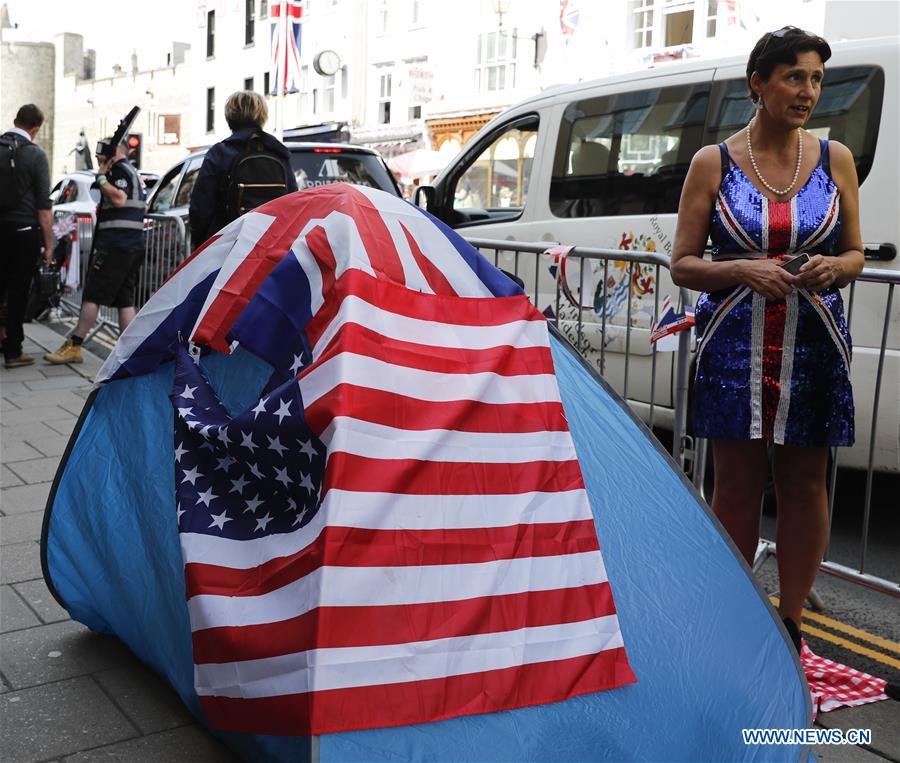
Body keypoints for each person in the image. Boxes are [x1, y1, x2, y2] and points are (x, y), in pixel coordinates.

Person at [671, 27, 864, 652]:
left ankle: (789, 621)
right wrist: (741, 269)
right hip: (734, 345)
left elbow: (857, 251)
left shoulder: (836, 159)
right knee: (735, 485)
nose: (807, 92)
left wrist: (838, 267)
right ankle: (734, 617)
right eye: (794, 77)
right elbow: (682, 263)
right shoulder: (713, 163)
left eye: (815, 80)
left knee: (808, 482)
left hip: (814, 342)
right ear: (759, 83)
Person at [45, 138, 147, 364]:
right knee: (124, 300)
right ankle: (128, 353)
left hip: (115, 246)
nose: (99, 156)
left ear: (113, 153)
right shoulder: (132, 172)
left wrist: (101, 176)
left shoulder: (118, 171)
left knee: (92, 294)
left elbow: (119, 199)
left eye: (102, 152)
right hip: (131, 244)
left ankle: (75, 345)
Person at [188, 91, 297, 247]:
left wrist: (200, 243)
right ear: (262, 115)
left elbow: (201, 206)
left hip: (227, 243)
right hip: (270, 244)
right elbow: (293, 200)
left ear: (230, 116)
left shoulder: (220, 153)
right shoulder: (279, 152)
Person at [0, 104, 55, 368]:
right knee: (18, 290)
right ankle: (13, 351)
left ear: (14, 120)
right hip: (24, 233)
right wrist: (49, 245)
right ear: (35, 129)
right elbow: (44, 207)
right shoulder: (35, 155)